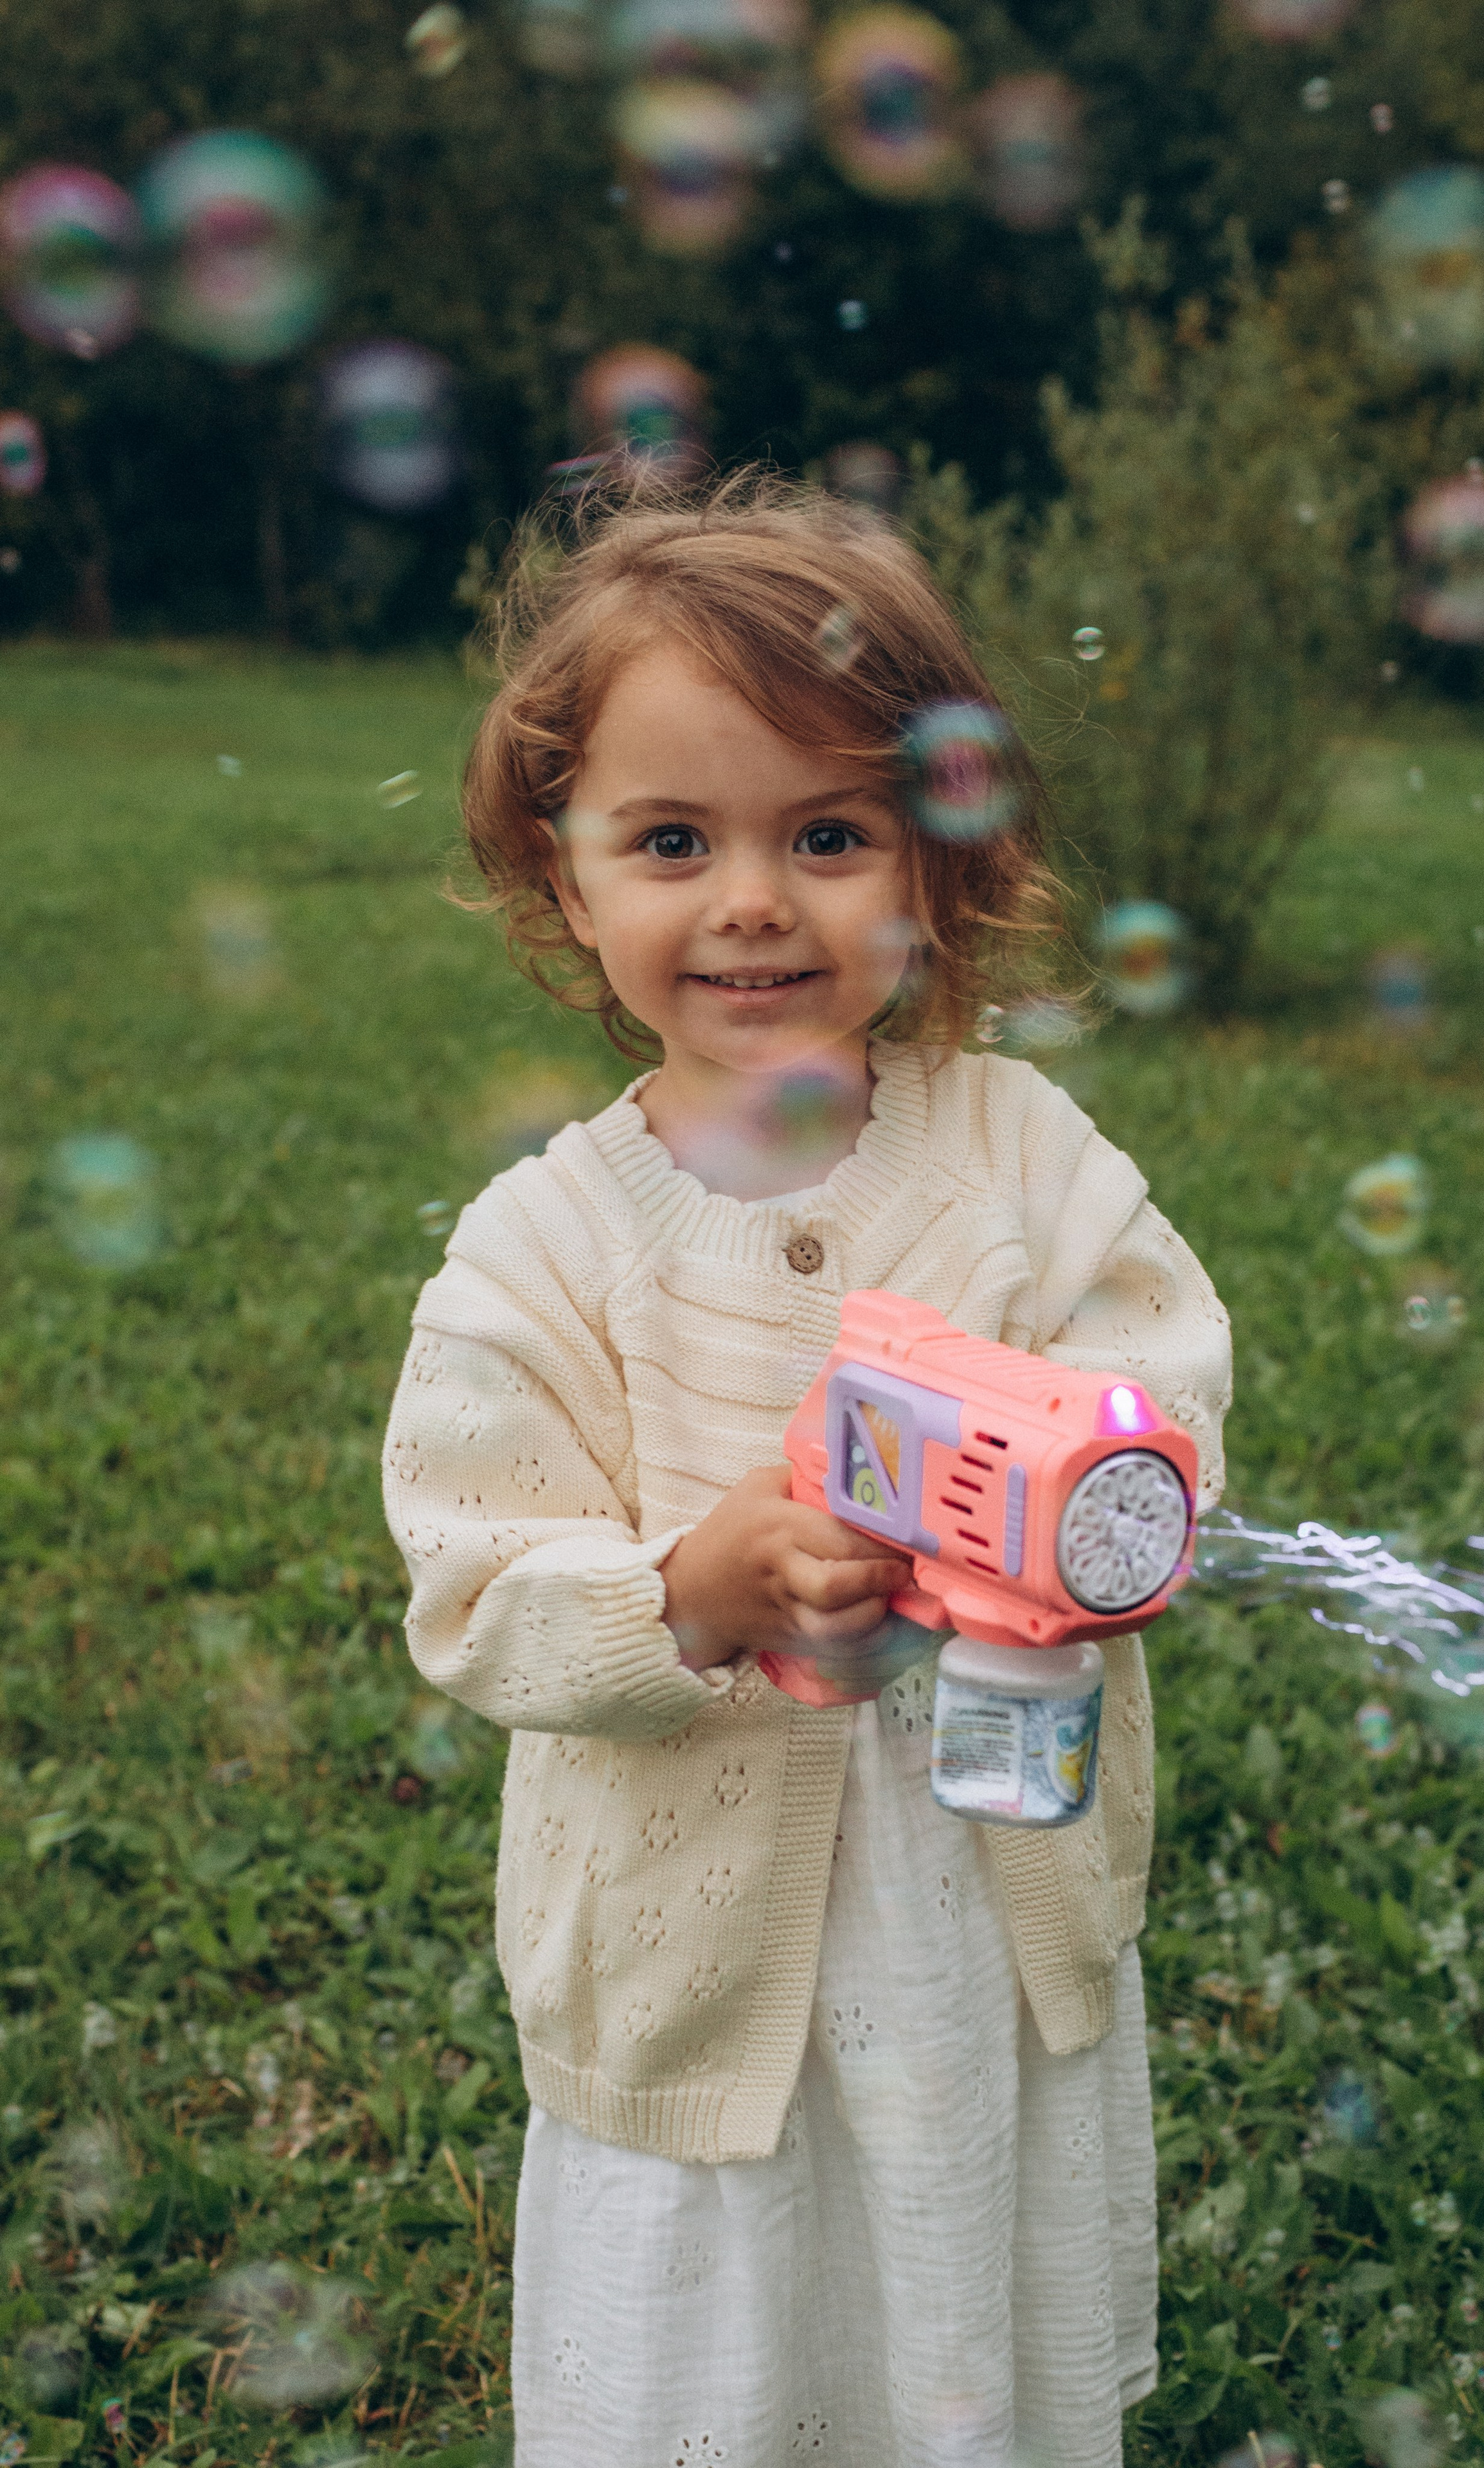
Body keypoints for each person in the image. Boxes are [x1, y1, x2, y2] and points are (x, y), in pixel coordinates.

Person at [381, 470, 1232, 2468]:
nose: (755, 900)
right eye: (673, 839)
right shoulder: (543, 1250)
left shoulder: (1022, 1157)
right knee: (732, 2326)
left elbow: (1165, 1382)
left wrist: (1077, 1483)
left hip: (978, 1894)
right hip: (695, 1956)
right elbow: (480, 1589)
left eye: (829, 834)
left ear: (937, 863)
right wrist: (690, 1591)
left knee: (955, 2270)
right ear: (565, 877)